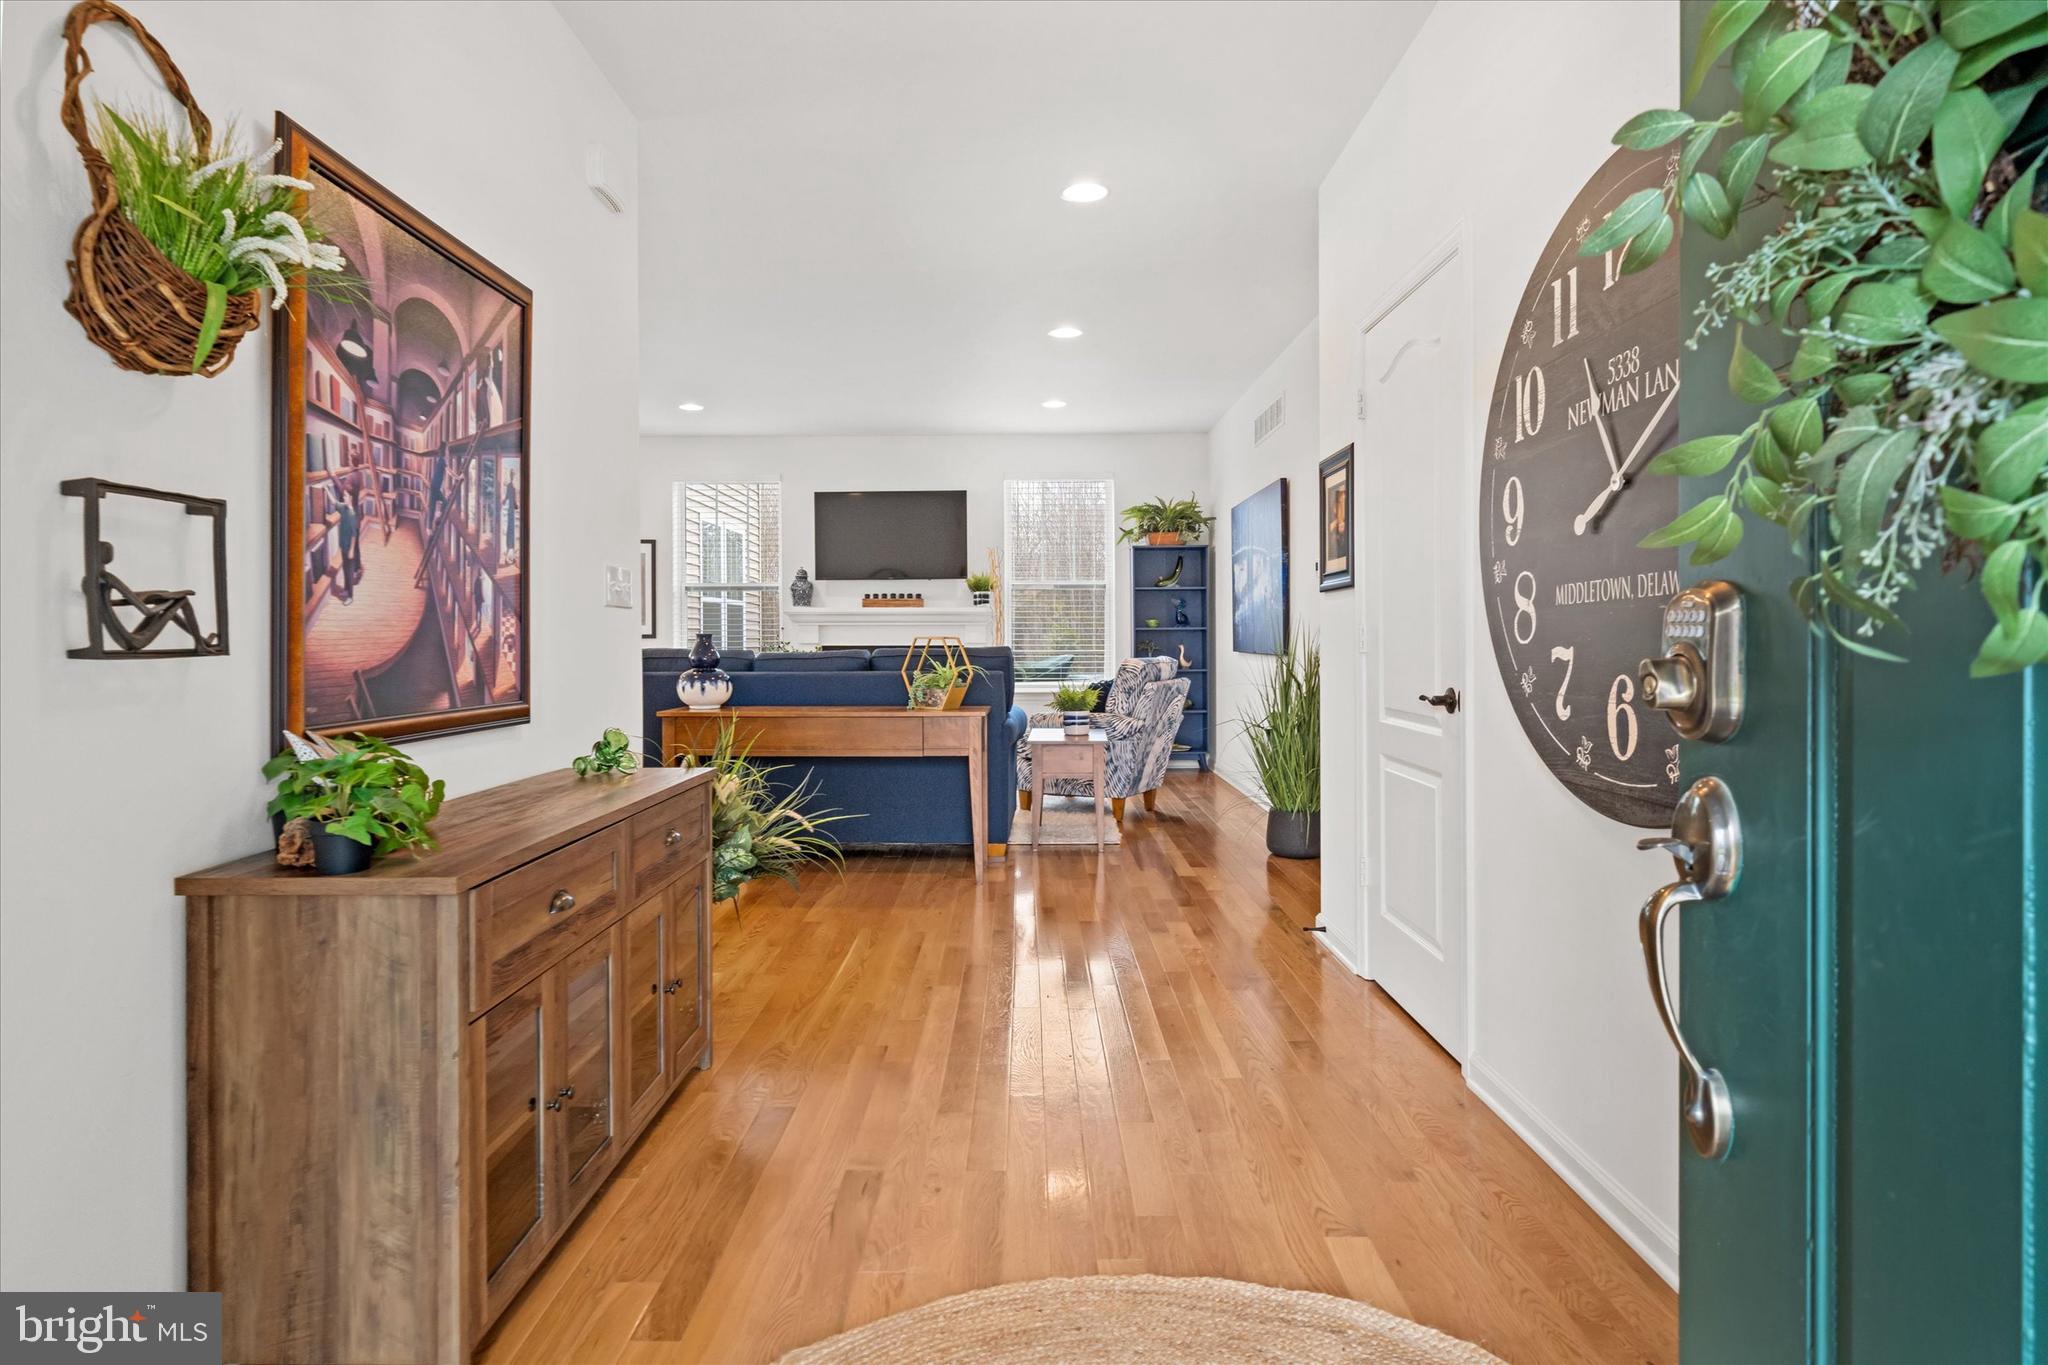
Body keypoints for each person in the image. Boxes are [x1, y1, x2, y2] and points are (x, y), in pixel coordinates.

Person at [334, 486, 361, 604]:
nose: (343, 497)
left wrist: (351, 550)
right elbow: (334, 502)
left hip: (349, 548)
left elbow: (354, 535)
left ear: (350, 498)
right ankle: (345, 590)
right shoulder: (343, 508)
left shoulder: (352, 514)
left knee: (349, 572)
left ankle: (350, 596)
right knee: (345, 569)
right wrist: (326, 491)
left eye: (345, 496)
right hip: (344, 546)